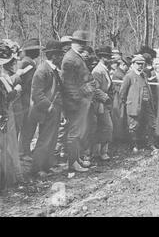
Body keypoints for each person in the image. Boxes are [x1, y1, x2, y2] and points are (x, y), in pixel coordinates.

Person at [62, 30, 96, 172]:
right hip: (75, 103)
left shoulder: (77, 56)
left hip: (82, 101)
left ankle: (77, 158)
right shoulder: (70, 58)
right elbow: (68, 84)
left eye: (83, 43)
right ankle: (72, 163)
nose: (82, 45)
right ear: (72, 42)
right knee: (74, 133)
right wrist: (79, 97)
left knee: (79, 132)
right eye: (79, 43)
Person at [29, 41, 64, 178]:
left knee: (52, 139)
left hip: (53, 110)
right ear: (53, 55)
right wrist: (49, 107)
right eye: (59, 55)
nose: (61, 57)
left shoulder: (53, 69)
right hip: (45, 111)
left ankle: (46, 166)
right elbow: (37, 94)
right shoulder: (42, 70)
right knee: (44, 139)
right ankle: (37, 169)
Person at [120, 54, 157, 154]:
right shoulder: (129, 76)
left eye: (142, 64)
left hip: (147, 104)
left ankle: (151, 144)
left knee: (151, 124)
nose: (140, 66)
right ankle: (134, 145)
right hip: (135, 105)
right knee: (133, 126)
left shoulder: (144, 75)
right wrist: (128, 102)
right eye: (138, 64)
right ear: (133, 64)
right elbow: (122, 92)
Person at [0, 42, 24, 190]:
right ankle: (8, 179)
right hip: (4, 114)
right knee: (6, 146)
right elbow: (9, 95)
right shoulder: (2, 77)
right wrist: (18, 89)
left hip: (5, 112)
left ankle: (10, 177)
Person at [18, 38, 42, 159]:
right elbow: (29, 83)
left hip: (27, 99)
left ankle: (24, 150)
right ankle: (23, 152)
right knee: (28, 126)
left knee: (28, 126)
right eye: (36, 50)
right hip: (26, 99)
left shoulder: (27, 62)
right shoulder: (28, 63)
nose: (38, 52)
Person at [91, 46, 114, 161]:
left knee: (104, 127)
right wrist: (105, 97)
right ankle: (100, 152)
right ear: (101, 57)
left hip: (105, 103)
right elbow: (95, 89)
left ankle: (100, 151)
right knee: (106, 126)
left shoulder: (105, 69)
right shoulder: (97, 71)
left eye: (109, 56)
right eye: (106, 56)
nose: (109, 59)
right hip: (100, 103)